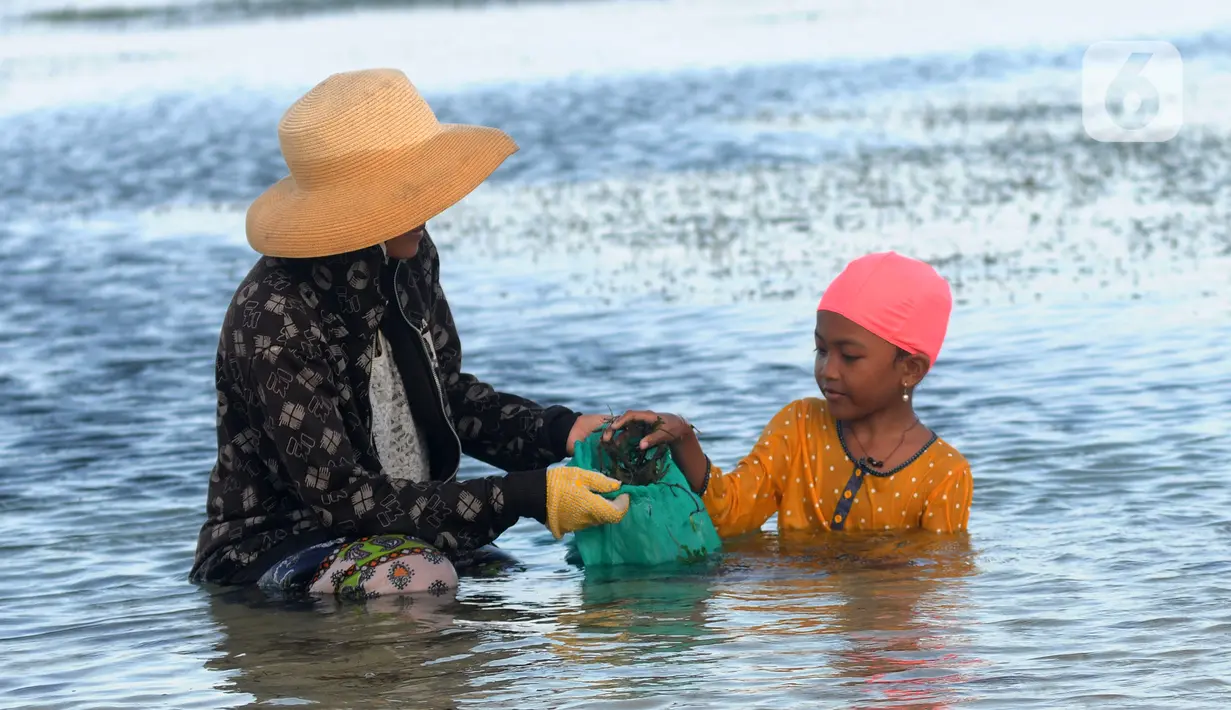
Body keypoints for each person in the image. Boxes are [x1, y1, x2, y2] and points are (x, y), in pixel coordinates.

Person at [190, 68, 629, 600]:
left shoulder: (409, 256)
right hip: (270, 549)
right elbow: (342, 498)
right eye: (403, 191)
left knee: (506, 578)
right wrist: (526, 495)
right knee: (424, 578)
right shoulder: (273, 313)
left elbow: (450, 400)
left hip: (396, 534)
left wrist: (566, 431)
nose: (427, 206)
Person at [605, 251, 972, 538]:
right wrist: (684, 438)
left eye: (850, 356)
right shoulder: (800, 427)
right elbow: (730, 513)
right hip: (796, 630)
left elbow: (929, 581)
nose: (828, 369)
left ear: (910, 369)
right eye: (821, 350)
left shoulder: (943, 474)